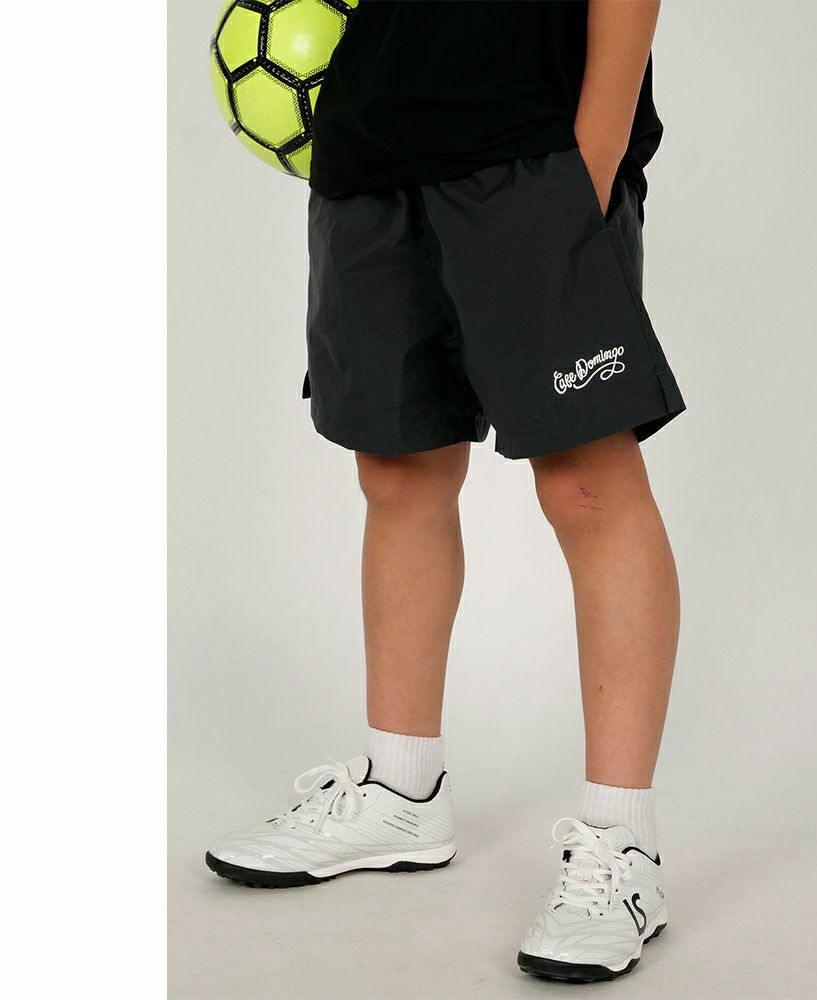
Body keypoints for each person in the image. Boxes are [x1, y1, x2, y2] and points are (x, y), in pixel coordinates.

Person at [206, 0, 684, 983]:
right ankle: (400, 791)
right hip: (371, 149)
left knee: (587, 485)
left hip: (535, 145)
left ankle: (621, 845)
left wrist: (591, 160)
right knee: (396, 467)